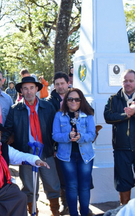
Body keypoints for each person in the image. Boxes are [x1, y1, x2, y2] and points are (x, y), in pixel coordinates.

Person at [3, 76, 60, 216]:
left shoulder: (48, 107)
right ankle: (32, 211)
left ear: (36, 89)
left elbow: (56, 128)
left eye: (31, 88)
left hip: (45, 151)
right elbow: (7, 130)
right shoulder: (15, 109)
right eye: (25, 88)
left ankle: (55, 212)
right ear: (21, 91)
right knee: (29, 187)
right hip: (26, 152)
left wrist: (56, 148)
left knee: (52, 184)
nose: (29, 91)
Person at [53, 88, 96, 216]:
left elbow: (92, 135)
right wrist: (67, 136)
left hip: (85, 156)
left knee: (84, 187)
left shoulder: (87, 115)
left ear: (81, 101)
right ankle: (73, 214)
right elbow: (55, 135)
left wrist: (80, 136)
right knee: (71, 186)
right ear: (66, 101)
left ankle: (84, 213)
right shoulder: (59, 115)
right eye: (70, 99)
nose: (73, 101)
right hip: (66, 156)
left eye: (77, 99)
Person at [104, 69, 135, 205]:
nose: (127, 83)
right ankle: (124, 210)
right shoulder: (113, 99)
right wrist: (126, 115)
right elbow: (108, 117)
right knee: (123, 181)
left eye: (131, 81)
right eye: (125, 80)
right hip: (121, 147)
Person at [46, 71, 70, 214]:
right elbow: (48, 127)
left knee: (76, 175)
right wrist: (53, 147)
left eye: (62, 83)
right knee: (62, 176)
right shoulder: (49, 103)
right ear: (54, 86)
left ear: (68, 83)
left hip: (75, 144)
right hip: (58, 145)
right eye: (57, 84)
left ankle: (77, 205)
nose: (60, 86)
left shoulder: (76, 97)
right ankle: (65, 204)